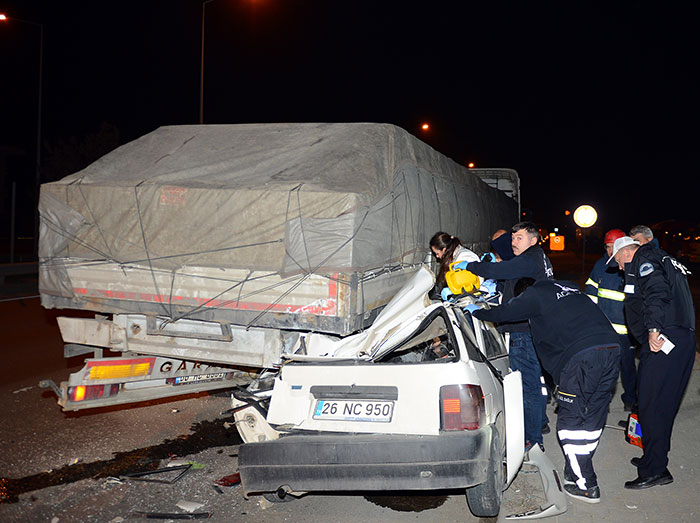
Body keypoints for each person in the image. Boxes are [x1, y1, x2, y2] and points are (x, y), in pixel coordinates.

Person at [467, 278, 621, 504]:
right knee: (594, 414)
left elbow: (506, 312)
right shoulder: (568, 288)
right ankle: (577, 465)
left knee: (570, 422)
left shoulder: (535, 293)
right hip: (611, 349)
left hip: (581, 357)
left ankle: (587, 485)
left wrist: (478, 312)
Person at [610, 236, 696, 490]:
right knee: (662, 403)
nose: (621, 269)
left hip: (664, 338)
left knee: (651, 404)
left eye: (619, 263)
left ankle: (655, 470)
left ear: (626, 252)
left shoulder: (644, 259)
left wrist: (653, 329)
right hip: (681, 337)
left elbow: (657, 291)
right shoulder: (663, 257)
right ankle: (654, 460)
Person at [459, 221, 554, 449]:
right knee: (534, 384)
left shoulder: (530, 258)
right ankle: (538, 424)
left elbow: (501, 270)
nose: (513, 243)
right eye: (513, 239)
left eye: (519, 238)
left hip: (524, 331)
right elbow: (511, 279)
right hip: (534, 327)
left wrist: (471, 267)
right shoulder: (536, 258)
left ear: (533, 240)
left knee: (527, 387)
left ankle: (531, 439)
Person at [585, 228, 637, 411]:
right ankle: (602, 400)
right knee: (604, 368)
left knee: (628, 367)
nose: (609, 251)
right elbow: (591, 290)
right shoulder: (601, 265)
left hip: (625, 331)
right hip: (604, 329)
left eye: (612, 247)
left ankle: (631, 399)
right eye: (607, 247)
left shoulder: (630, 266)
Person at [429, 232, 479, 298]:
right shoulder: (455, 254)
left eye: (437, 253)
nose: (437, 256)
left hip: (473, 295)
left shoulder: (465, 257)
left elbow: (472, 282)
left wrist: (453, 291)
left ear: (444, 250)